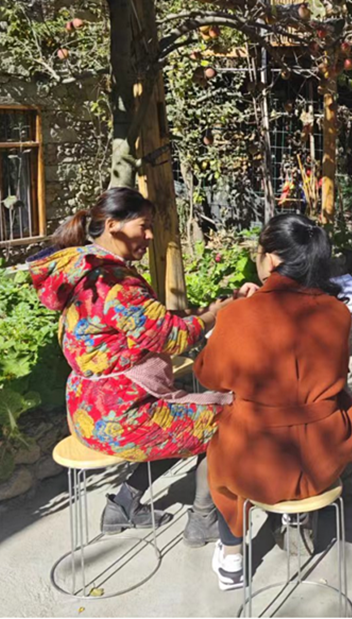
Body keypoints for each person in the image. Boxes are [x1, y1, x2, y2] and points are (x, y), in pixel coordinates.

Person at [29, 187, 236, 547]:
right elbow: (171, 336)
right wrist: (219, 313)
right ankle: (203, 519)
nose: (151, 235)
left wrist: (206, 310)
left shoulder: (84, 269)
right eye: (145, 225)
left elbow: (148, 320)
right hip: (123, 418)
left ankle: (123, 505)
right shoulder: (114, 282)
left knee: (180, 424)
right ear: (113, 225)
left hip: (88, 412)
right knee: (228, 420)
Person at [194, 214, 352, 591]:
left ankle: (232, 557)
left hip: (257, 463)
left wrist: (234, 318)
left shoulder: (238, 314)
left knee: (220, 465)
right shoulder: (338, 312)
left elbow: (209, 375)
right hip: (324, 456)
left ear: (270, 259)